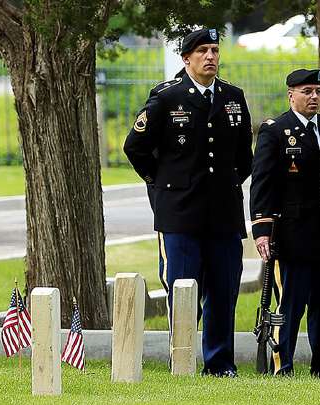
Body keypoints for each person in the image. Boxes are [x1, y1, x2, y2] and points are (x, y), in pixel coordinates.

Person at [123, 28, 252, 377]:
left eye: (214, 50)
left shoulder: (233, 97)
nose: (210, 57)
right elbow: (134, 147)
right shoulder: (167, 97)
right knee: (182, 288)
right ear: (186, 58)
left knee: (223, 289)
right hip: (179, 213)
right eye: (202, 52)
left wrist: (227, 183)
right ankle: (181, 361)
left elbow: (244, 155)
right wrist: (161, 183)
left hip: (223, 213)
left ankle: (220, 363)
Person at [248, 68, 320, 378]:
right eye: (307, 91)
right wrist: (263, 229)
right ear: (291, 95)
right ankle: (282, 363)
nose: (314, 97)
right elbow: (262, 182)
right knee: (290, 301)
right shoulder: (276, 130)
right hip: (291, 230)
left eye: (318, 91)